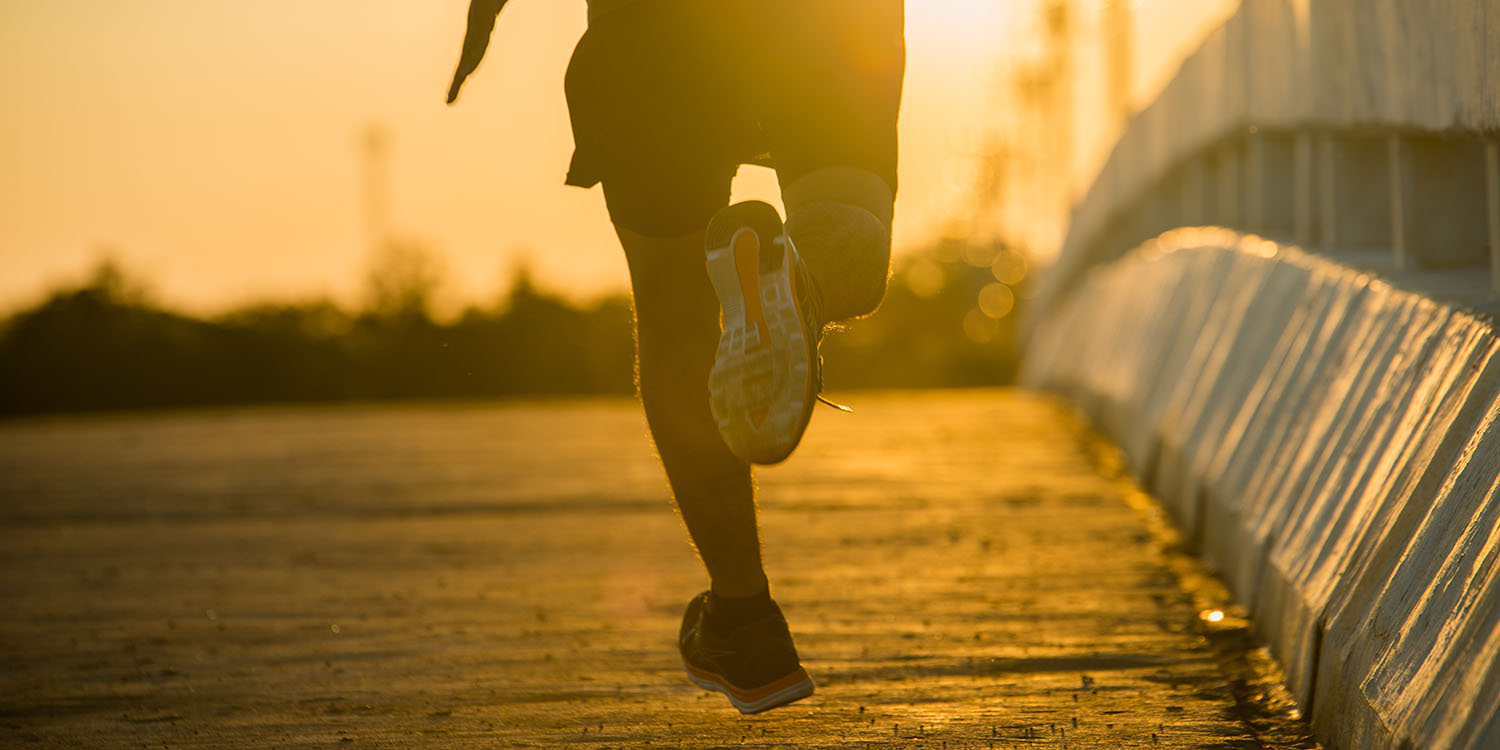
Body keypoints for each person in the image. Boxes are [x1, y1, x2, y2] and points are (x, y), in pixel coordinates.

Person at [448, 0, 904, 714]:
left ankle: (746, 625)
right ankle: (800, 282)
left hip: (653, 26)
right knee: (847, 224)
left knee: (673, 304)